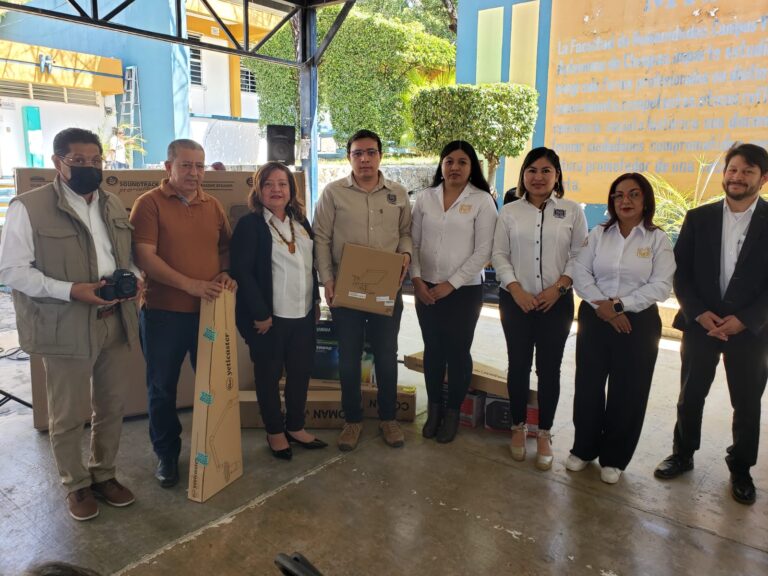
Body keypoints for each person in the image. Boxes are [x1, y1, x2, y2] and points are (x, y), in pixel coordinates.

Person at [0, 128, 139, 520]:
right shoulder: (28, 207)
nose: (89, 167)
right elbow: (12, 271)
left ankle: (103, 473)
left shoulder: (112, 203)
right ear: (57, 162)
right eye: (79, 161)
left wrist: (135, 278)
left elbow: (123, 256)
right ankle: (75, 484)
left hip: (113, 319)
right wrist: (71, 290)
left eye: (95, 160)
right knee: (68, 413)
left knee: (111, 405)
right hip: (66, 323)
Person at [654, 143, 768, 505]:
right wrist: (698, 312)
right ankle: (683, 454)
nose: (737, 177)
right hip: (702, 323)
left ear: (763, 179)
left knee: (747, 403)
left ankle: (741, 468)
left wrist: (745, 320)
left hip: (751, 331)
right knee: (691, 395)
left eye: (747, 172)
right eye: (733, 169)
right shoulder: (698, 218)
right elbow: (681, 273)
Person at [130, 139, 235, 488]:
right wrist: (189, 284)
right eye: (186, 165)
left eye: (200, 166)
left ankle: (215, 447)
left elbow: (224, 247)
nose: (194, 173)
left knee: (214, 385)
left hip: (209, 312)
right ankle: (167, 454)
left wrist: (222, 272)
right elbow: (145, 257)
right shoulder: (149, 205)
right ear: (168, 166)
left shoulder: (213, 204)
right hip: (164, 314)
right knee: (162, 388)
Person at [568, 173, 675, 484]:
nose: (625, 201)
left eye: (633, 195)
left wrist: (619, 306)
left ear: (645, 201)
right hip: (595, 315)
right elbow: (581, 271)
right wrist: (605, 306)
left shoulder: (657, 239)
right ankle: (583, 449)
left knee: (628, 392)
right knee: (588, 386)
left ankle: (614, 458)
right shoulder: (599, 234)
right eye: (618, 195)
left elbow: (661, 286)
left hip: (637, 323)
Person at [313, 129, 412, 451]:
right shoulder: (333, 193)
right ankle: (352, 420)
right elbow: (322, 239)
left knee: (386, 355)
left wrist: (406, 255)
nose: (365, 159)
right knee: (349, 357)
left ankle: (388, 418)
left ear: (381, 155)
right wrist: (327, 280)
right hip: (347, 288)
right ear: (349, 158)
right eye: (358, 153)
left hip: (386, 289)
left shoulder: (397, 193)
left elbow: (406, 233)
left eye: (370, 152)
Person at [491, 147, 587, 470]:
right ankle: (518, 427)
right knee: (517, 365)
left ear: (557, 175)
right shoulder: (510, 212)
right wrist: (514, 288)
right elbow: (499, 254)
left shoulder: (572, 211)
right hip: (515, 302)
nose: (538, 177)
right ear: (523, 175)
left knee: (549, 370)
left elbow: (579, 256)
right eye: (531, 170)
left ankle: (544, 432)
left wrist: (559, 288)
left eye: (546, 170)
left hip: (555, 304)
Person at [230, 162, 326, 460]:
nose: (276, 190)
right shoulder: (251, 225)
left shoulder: (301, 222)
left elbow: (309, 267)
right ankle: (274, 431)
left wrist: (315, 303)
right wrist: (260, 313)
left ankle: (295, 426)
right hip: (270, 319)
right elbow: (242, 272)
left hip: (303, 314)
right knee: (268, 377)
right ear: (258, 190)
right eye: (269, 184)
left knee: (300, 373)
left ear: (290, 189)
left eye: (282, 184)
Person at [410, 140, 497, 443]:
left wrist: (451, 284)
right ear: (441, 165)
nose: (455, 167)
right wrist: (418, 280)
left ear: (472, 167)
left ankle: (451, 413)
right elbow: (414, 243)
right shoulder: (425, 198)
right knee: (433, 351)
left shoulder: (483, 201)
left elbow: (484, 250)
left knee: (458, 353)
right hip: (426, 290)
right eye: (449, 161)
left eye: (462, 162)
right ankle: (434, 410)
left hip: (463, 292)